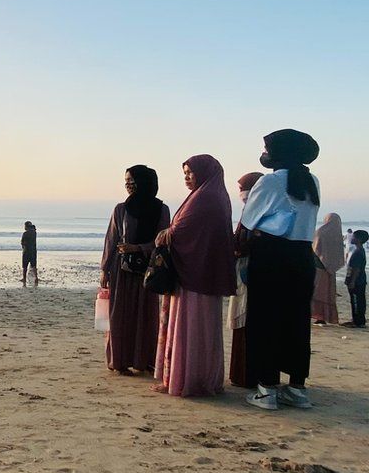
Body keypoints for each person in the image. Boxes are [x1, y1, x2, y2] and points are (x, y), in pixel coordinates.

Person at [240, 129, 321, 411]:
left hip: (272, 257)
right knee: (297, 323)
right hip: (302, 257)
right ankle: (297, 388)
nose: (263, 154)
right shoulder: (312, 181)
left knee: (265, 321)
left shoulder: (270, 181)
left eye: (266, 149)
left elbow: (248, 223)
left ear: (280, 153)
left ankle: (267, 388)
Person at [152, 155, 235, 397]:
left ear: (204, 172)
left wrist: (166, 234)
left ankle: (187, 378)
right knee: (200, 328)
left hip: (195, 277)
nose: (187, 178)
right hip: (199, 272)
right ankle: (192, 377)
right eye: (184, 174)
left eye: (190, 172)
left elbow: (183, 231)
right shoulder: (212, 196)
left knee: (190, 327)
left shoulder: (206, 198)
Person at [100, 165, 170, 376]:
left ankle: (144, 360)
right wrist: (104, 269)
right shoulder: (121, 209)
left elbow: (163, 241)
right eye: (126, 181)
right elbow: (111, 240)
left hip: (148, 270)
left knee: (146, 315)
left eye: (132, 180)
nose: (128, 184)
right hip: (121, 270)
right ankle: (120, 362)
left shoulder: (161, 209)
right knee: (119, 314)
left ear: (145, 182)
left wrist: (138, 247)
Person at [228, 172, 264, 388]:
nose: (241, 193)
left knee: (247, 324)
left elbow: (245, 242)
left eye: (243, 188)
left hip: (252, 274)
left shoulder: (256, 211)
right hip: (249, 272)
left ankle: (246, 376)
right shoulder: (251, 210)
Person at [312, 213, 345, 325]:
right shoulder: (337, 235)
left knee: (318, 292)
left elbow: (315, 249)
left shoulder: (320, 232)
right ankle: (326, 316)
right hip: (331, 269)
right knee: (328, 293)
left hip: (319, 267)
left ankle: (319, 316)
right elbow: (339, 254)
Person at [343, 230, 367, 328]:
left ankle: (358, 321)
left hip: (357, 281)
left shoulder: (358, 252)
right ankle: (358, 319)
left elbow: (356, 269)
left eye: (354, 237)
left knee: (356, 300)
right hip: (359, 280)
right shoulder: (359, 250)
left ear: (359, 239)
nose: (351, 238)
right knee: (357, 300)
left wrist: (352, 281)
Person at [21, 221, 38, 287]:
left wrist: (23, 247)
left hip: (26, 251)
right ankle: (36, 278)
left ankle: (24, 278)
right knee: (34, 265)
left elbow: (22, 242)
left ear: (26, 226)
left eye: (25, 226)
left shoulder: (25, 233)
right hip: (33, 251)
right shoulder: (34, 233)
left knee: (25, 266)